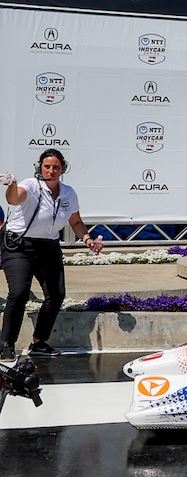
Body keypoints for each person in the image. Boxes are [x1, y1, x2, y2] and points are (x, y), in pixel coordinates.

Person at [0, 149, 104, 362]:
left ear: (62, 169)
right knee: (19, 292)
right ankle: (6, 344)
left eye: (56, 167)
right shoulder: (31, 185)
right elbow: (14, 199)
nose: (51, 171)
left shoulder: (68, 193)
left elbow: (75, 221)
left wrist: (87, 239)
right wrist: (11, 185)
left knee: (56, 295)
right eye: (47, 166)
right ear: (40, 168)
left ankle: (38, 342)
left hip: (48, 247)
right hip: (19, 246)